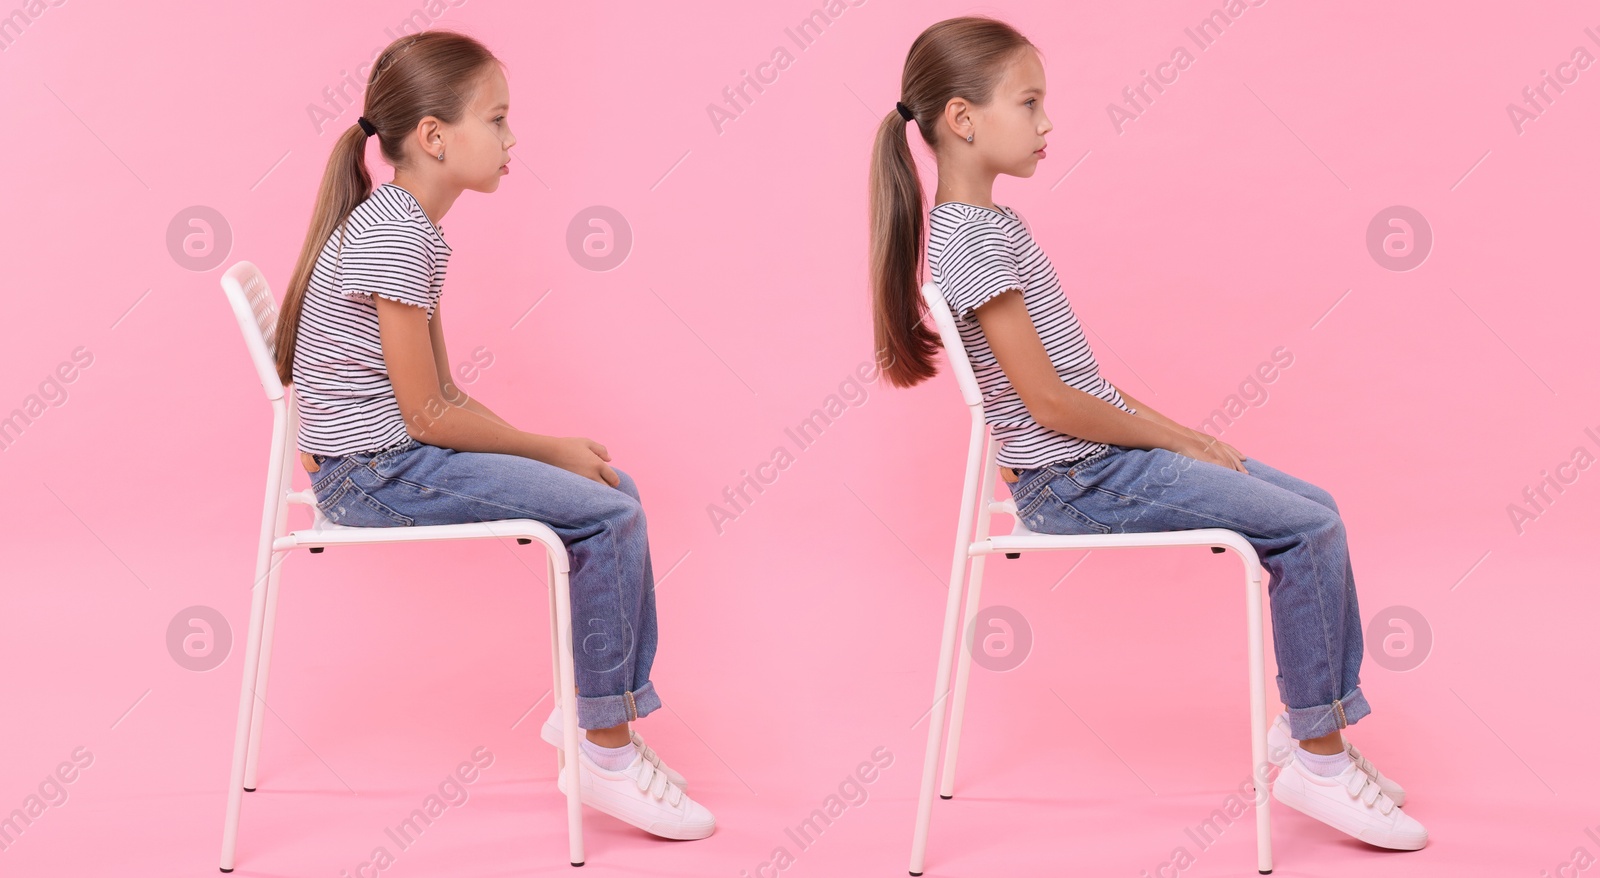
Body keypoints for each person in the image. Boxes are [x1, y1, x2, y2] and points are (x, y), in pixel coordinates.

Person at [868, 16, 1425, 852]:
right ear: (963, 118)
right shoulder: (970, 239)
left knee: (1315, 506)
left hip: (1100, 463)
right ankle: (1319, 757)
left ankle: (1318, 729)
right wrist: (1171, 446)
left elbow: (1082, 383)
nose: (1048, 123)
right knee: (1304, 529)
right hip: (1076, 482)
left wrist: (1187, 437)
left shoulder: (994, 227)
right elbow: (1051, 406)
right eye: (1030, 102)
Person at [272, 29, 712, 841]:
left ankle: (592, 716)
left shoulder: (410, 227)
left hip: (388, 459)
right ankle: (604, 751)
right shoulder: (396, 235)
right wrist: (550, 447)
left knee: (615, 493)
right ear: (435, 137)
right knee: (608, 516)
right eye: (498, 120)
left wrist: (551, 448)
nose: (512, 141)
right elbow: (427, 417)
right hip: (375, 474)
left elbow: (442, 396)